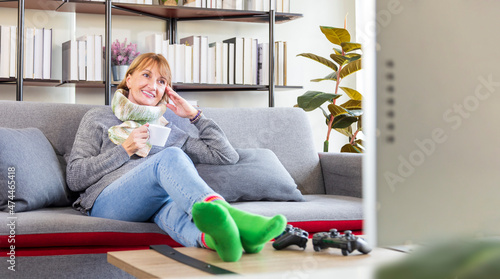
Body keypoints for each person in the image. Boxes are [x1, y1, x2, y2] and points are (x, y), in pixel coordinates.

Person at [66, 53, 286, 262]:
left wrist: (195, 116)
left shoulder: (169, 130)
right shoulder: (98, 118)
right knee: (171, 156)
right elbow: (75, 178)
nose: (153, 86)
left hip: (154, 203)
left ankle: (224, 242)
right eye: (146, 75)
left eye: (161, 81)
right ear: (129, 79)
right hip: (107, 203)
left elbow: (225, 156)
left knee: (174, 212)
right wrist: (124, 150)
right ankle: (236, 217)